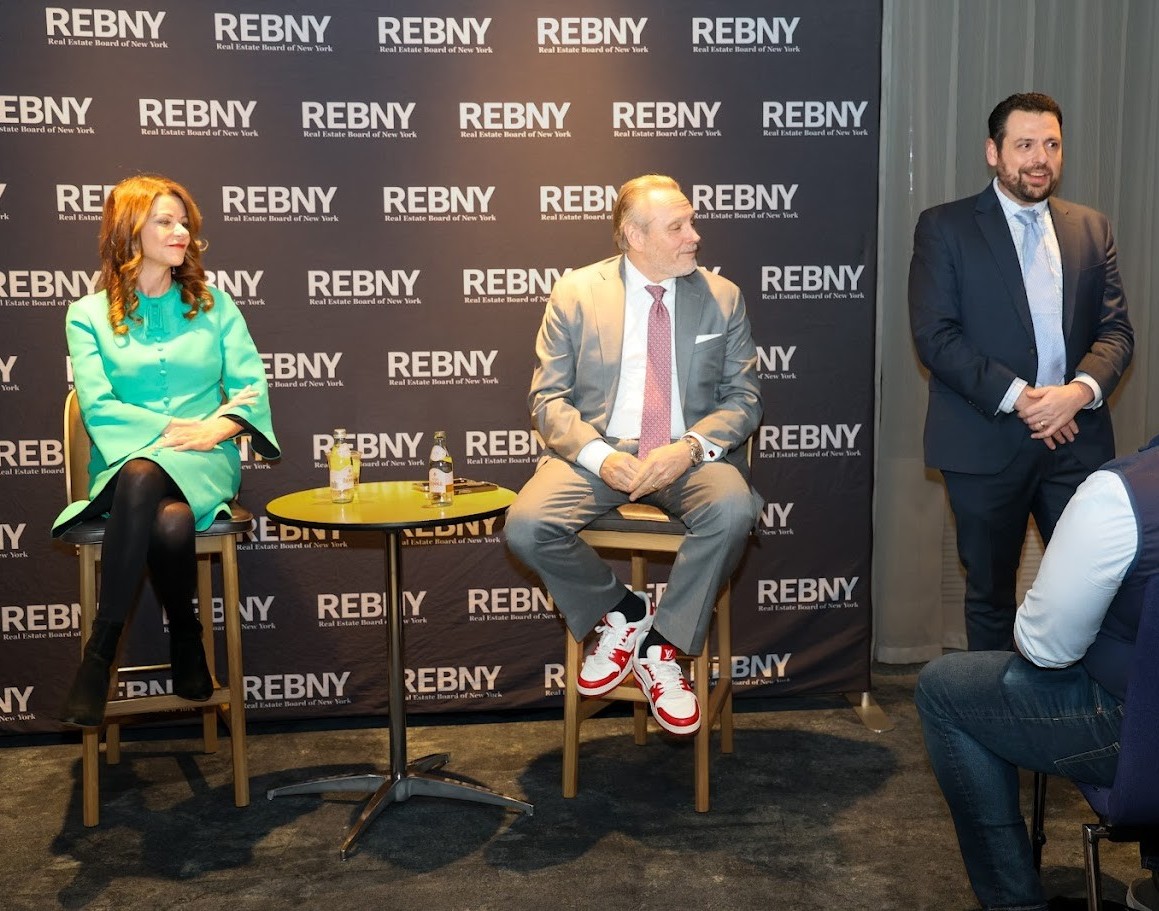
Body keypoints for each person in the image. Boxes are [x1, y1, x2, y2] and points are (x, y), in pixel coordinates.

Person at [505, 173, 763, 735]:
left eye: (691, 222)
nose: (694, 236)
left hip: (689, 456)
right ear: (635, 237)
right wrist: (600, 457)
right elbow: (548, 399)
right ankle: (622, 611)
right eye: (677, 227)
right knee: (526, 526)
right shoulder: (576, 292)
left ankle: (661, 646)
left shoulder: (722, 297)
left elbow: (744, 399)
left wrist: (689, 449)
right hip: (599, 453)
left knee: (733, 509)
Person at [909, 92, 1133, 651]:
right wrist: (1027, 400)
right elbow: (936, 336)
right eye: (1025, 145)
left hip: (1076, 440)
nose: (1040, 158)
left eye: (1052, 145)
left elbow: (1116, 333)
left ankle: (1079, 706)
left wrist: (1075, 394)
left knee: (1093, 592)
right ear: (994, 152)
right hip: (984, 441)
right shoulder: (945, 227)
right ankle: (993, 704)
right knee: (990, 596)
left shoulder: (1092, 228)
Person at [53, 173, 279, 728]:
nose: (182, 233)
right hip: (126, 460)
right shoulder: (86, 315)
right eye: (165, 221)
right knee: (166, 513)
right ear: (129, 232)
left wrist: (216, 429)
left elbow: (251, 388)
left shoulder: (215, 306)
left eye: (185, 223)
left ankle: (99, 654)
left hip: (206, 458)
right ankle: (186, 634)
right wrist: (182, 425)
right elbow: (98, 407)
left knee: (144, 477)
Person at [915, 435, 1159, 911]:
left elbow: (1046, 650)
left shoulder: (1120, 494)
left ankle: (1015, 903)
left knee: (945, 690)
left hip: (1139, 737)